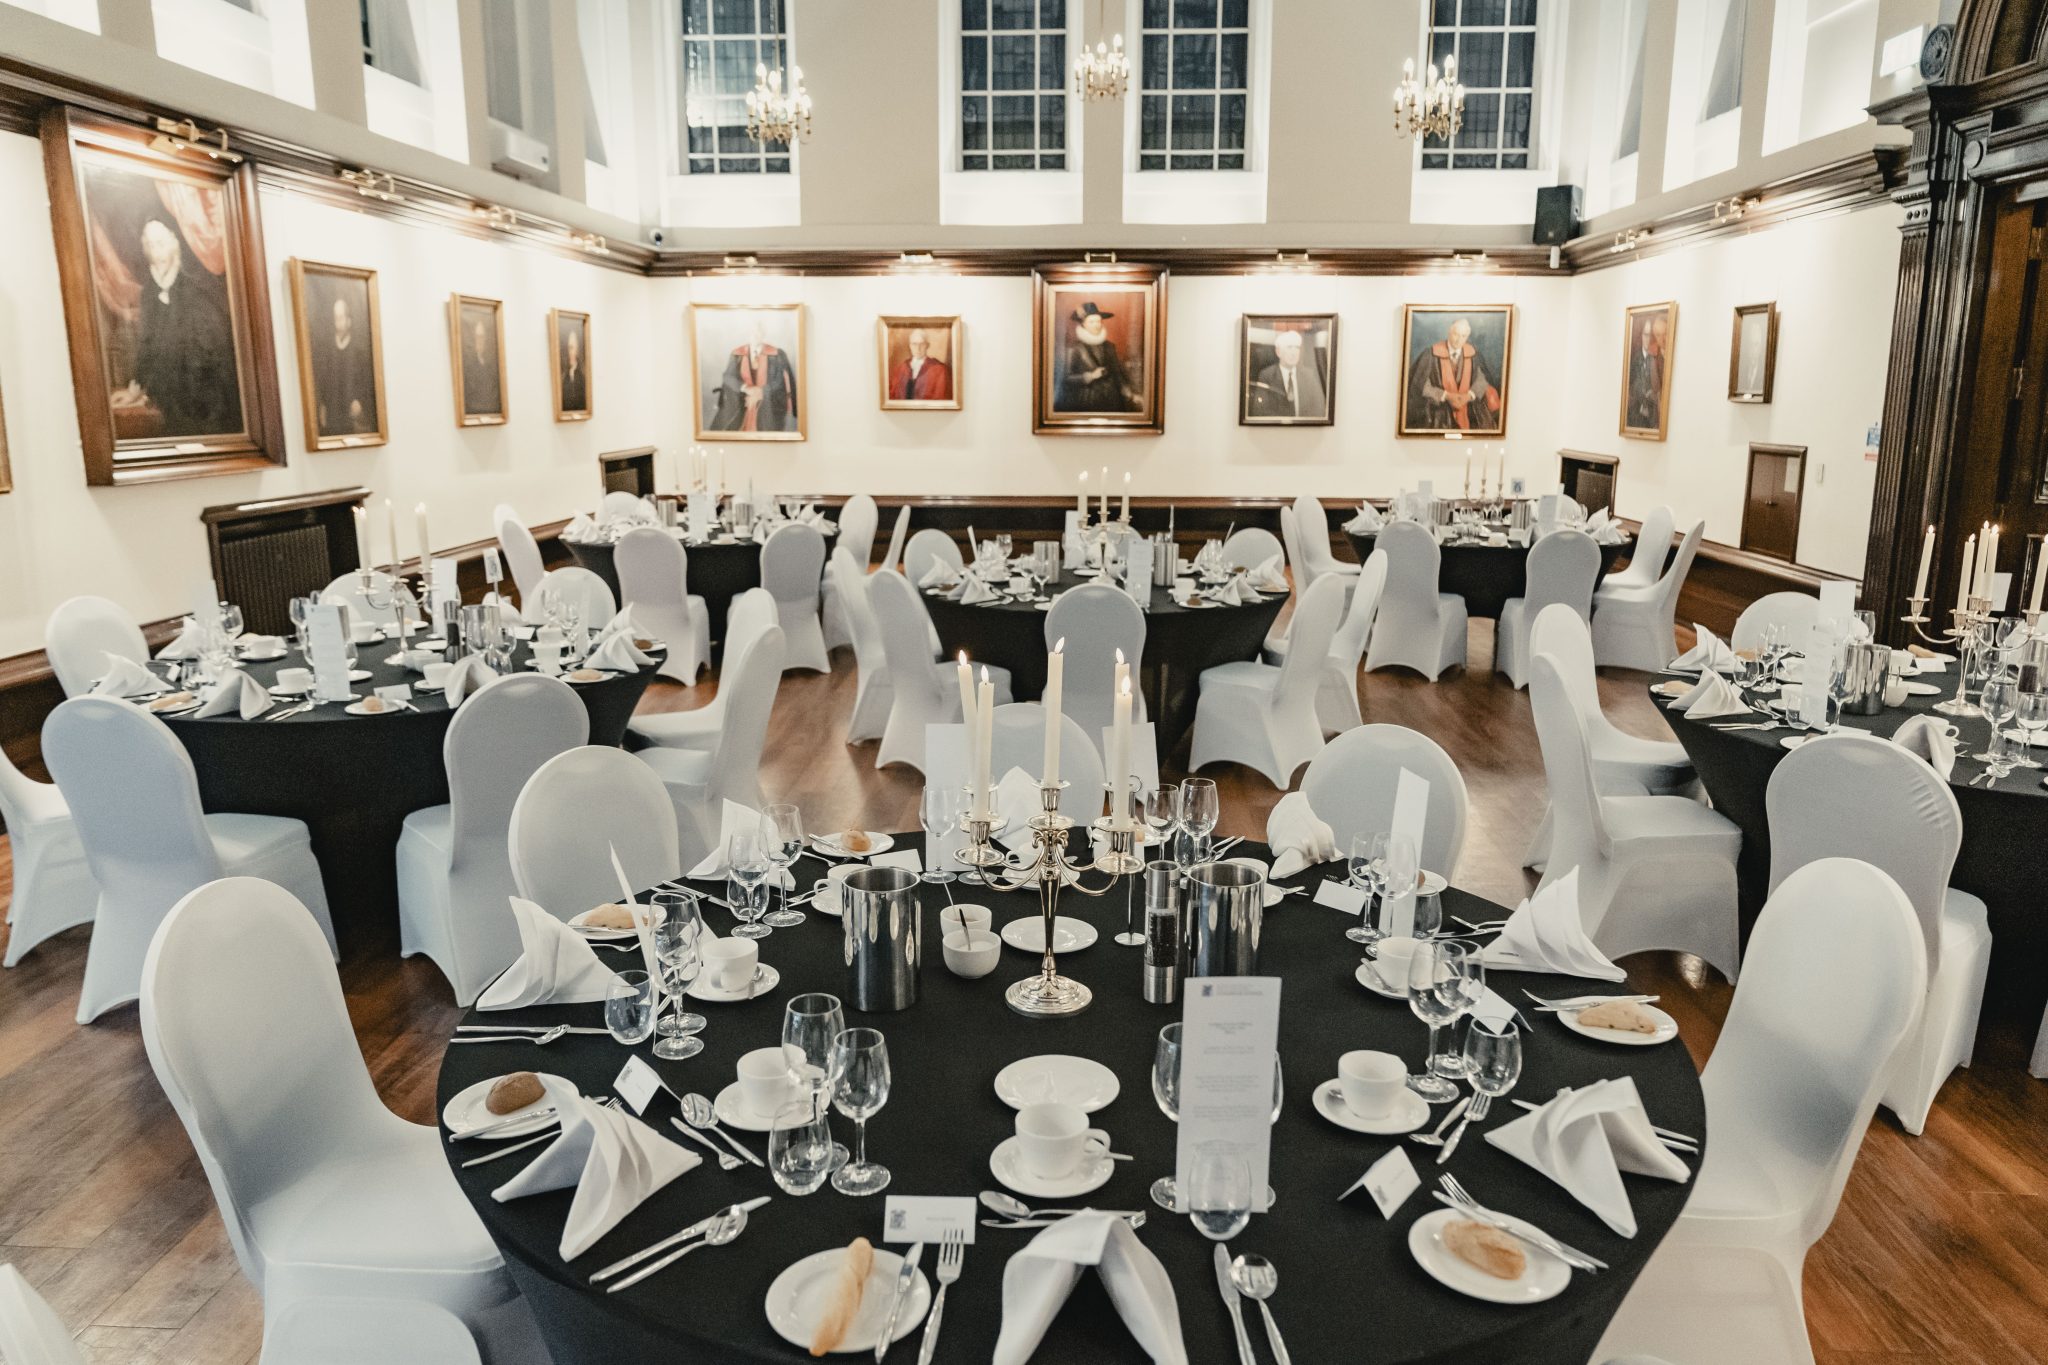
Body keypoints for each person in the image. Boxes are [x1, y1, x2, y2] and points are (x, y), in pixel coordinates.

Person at [120, 218, 241, 436]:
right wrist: (135, 387)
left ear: (174, 244)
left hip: (208, 400)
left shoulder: (197, 287)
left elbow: (214, 349)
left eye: (161, 243)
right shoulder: (149, 293)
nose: (157, 252)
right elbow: (146, 344)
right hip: (169, 400)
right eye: (151, 244)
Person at [1404, 316, 1501, 433]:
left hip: (1469, 408)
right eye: (1456, 334)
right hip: (1439, 410)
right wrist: (1446, 395)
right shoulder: (1430, 354)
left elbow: (1482, 380)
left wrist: (1469, 395)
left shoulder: (1473, 354)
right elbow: (1420, 385)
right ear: (1449, 333)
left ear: (1467, 337)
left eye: (1463, 336)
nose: (1459, 340)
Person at [709, 320, 798, 432]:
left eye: (759, 332)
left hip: (769, 401)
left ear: (764, 334)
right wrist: (745, 388)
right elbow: (727, 377)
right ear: (747, 334)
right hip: (742, 400)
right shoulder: (737, 354)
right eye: (752, 332)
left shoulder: (777, 354)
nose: (756, 336)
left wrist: (762, 391)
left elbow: (779, 381)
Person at [311, 292, 377, 436]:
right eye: (336, 318)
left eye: (341, 317)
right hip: (332, 410)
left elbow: (367, 382)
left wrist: (360, 401)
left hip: (352, 414)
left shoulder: (359, 350)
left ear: (349, 320)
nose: (338, 322)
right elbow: (323, 381)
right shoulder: (327, 350)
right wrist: (322, 406)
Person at [1059, 302, 1139, 413]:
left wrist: (1128, 392)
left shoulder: (1109, 346)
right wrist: (1090, 376)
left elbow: (1117, 373)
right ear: (1083, 324)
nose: (1097, 325)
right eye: (1091, 322)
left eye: (1098, 321)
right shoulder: (1074, 348)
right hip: (1086, 400)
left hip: (1112, 399)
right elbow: (1066, 379)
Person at [1248, 328, 1327, 420]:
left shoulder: (1309, 376)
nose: (1294, 353)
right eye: (1289, 347)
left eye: (1296, 348)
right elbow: (1259, 411)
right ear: (1278, 352)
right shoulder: (1266, 376)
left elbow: (1319, 409)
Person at [1627, 312, 1670, 430]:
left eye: (1666, 334)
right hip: (1647, 415)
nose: (1663, 339)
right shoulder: (1651, 355)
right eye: (1658, 335)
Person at [887, 327, 952, 402]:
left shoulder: (939, 370)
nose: (918, 348)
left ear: (927, 346)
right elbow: (892, 397)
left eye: (922, 344)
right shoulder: (901, 368)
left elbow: (941, 400)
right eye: (914, 344)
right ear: (910, 346)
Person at [461, 314, 501, 416]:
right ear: (473, 338)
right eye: (478, 337)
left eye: (482, 337)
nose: (480, 341)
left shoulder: (491, 365)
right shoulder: (468, 366)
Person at [558, 323, 587, 413]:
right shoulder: (564, 376)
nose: (569, 352)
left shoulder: (582, 376)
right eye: (568, 348)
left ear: (577, 349)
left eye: (572, 348)